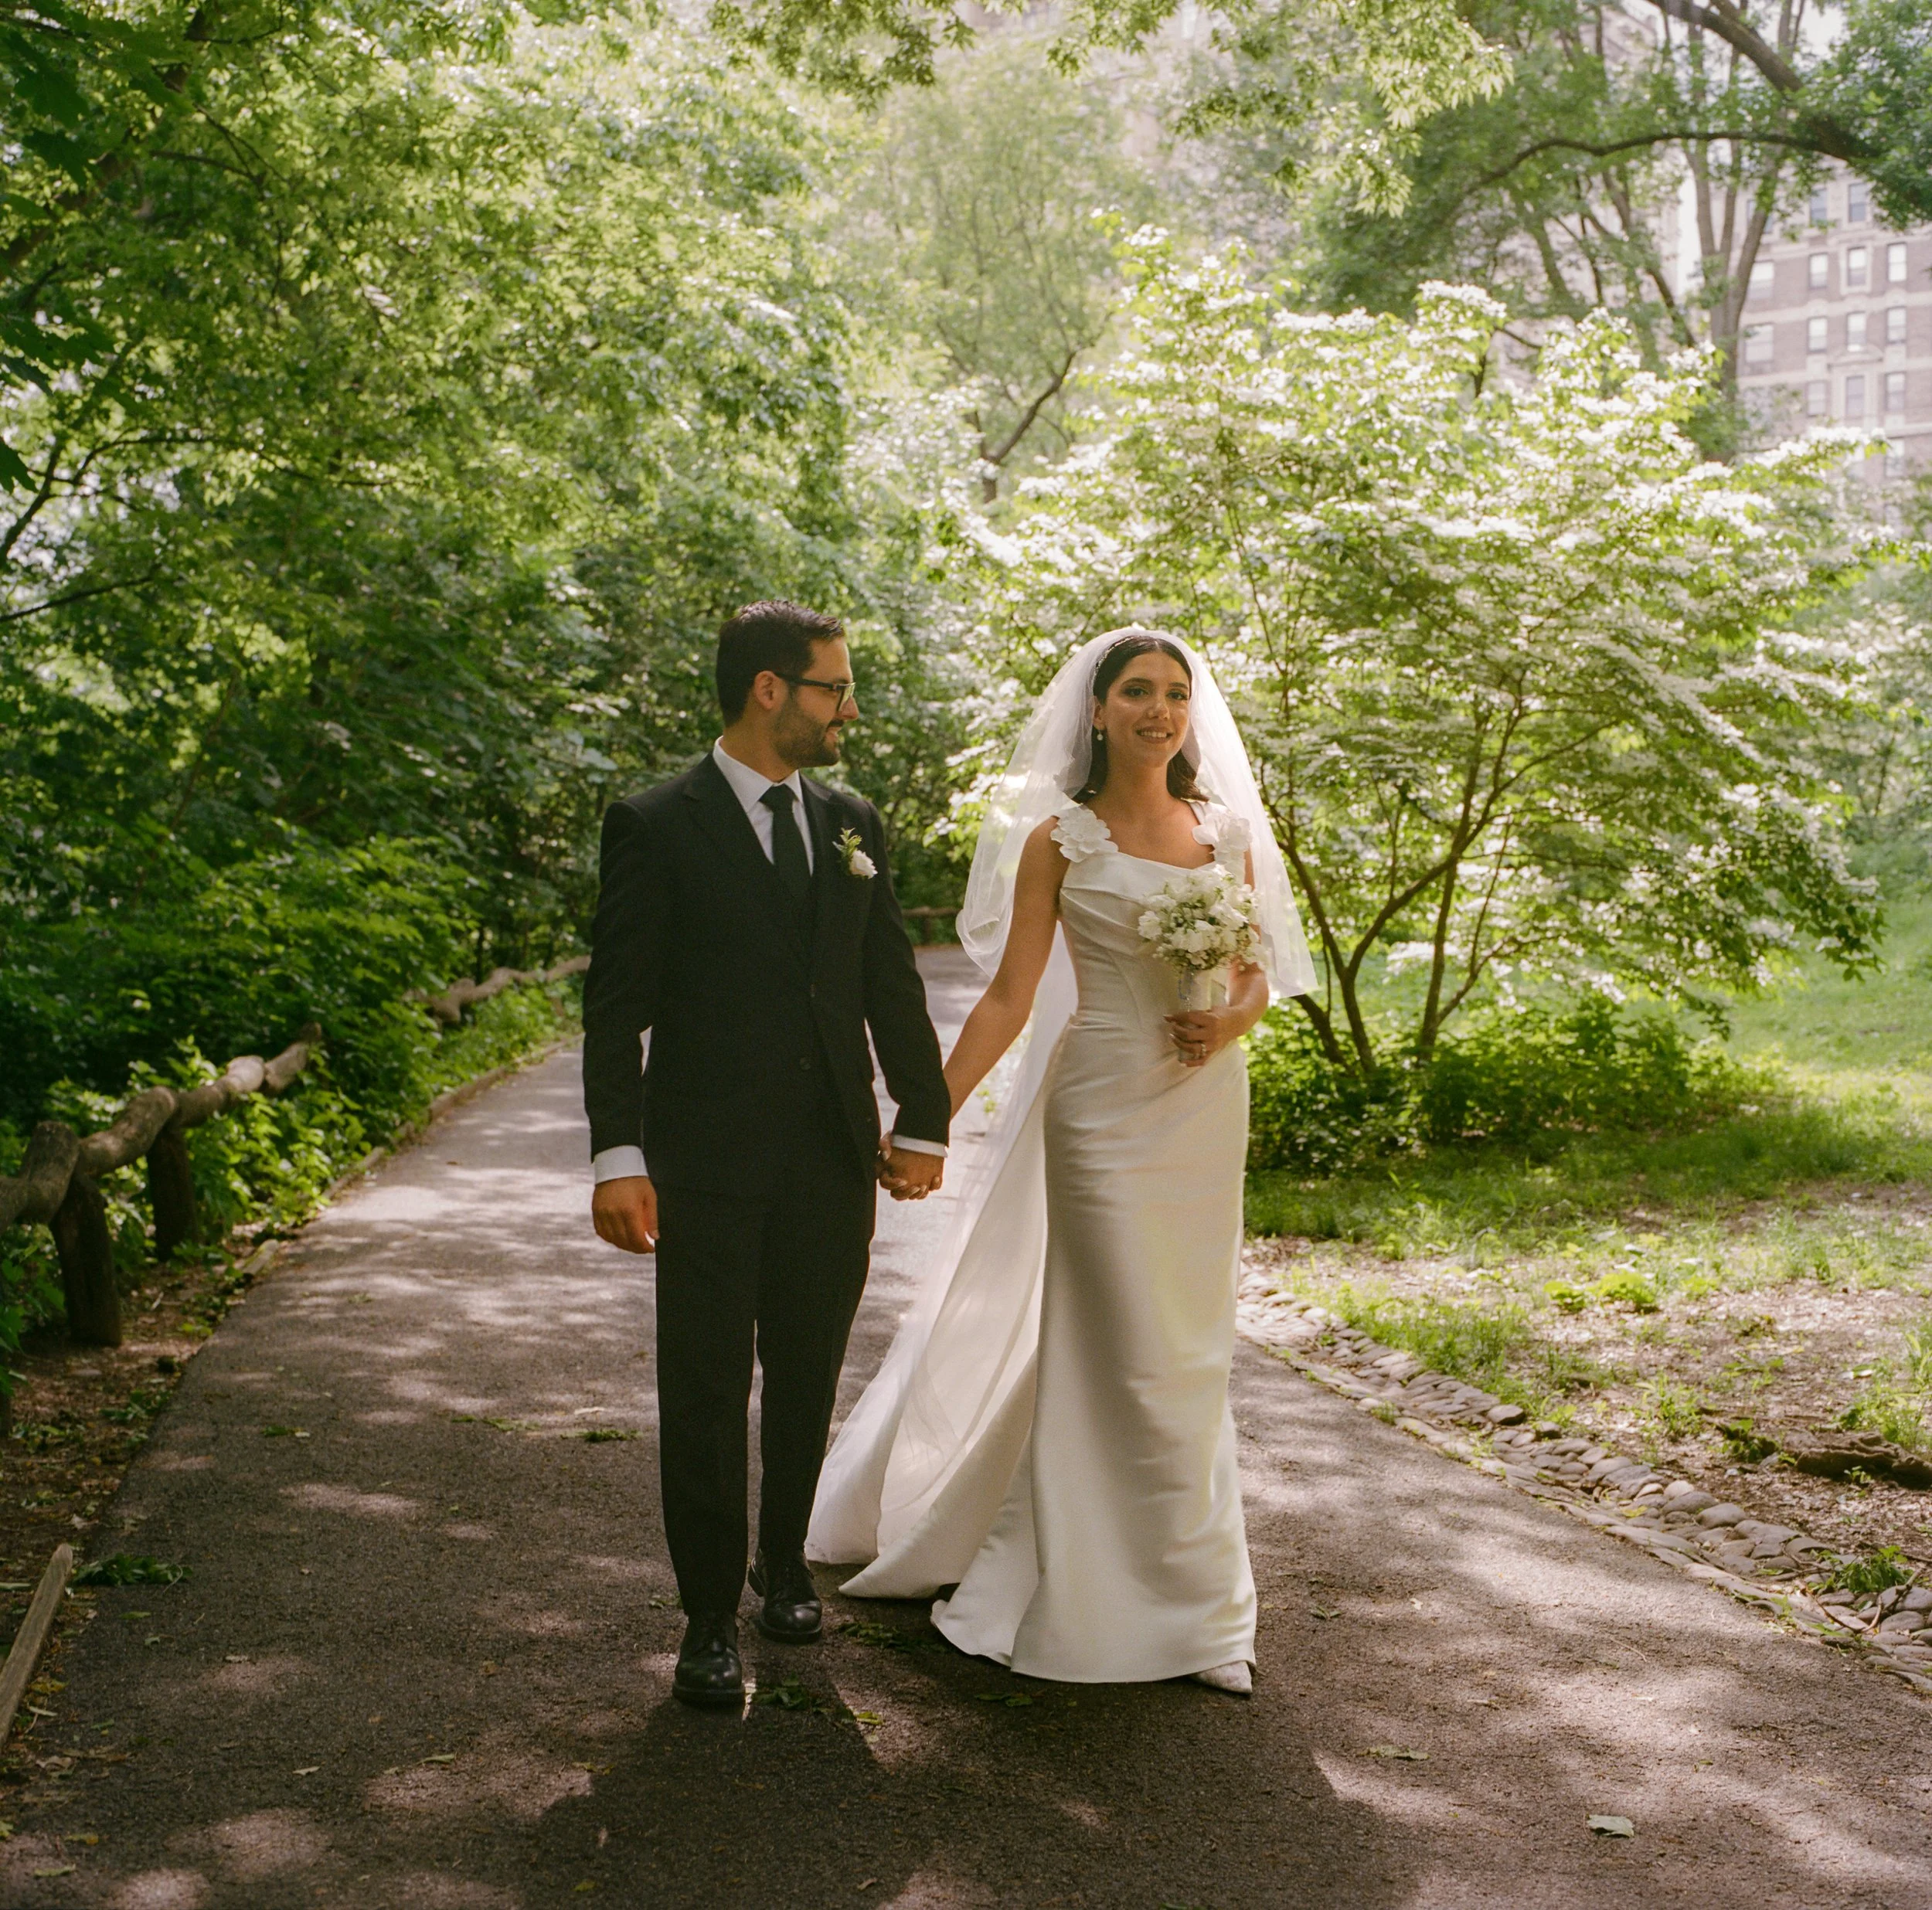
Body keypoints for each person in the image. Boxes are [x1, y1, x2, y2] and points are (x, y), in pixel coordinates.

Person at [808, 628, 1315, 1694]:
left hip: (1201, 1109)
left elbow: (1259, 975)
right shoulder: (1060, 839)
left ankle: (1201, 1611)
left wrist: (1229, 1024)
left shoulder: (1226, 835)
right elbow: (1008, 998)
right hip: (1096, 1108)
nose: (1160, 711)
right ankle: (1081, 1590)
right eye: (1137, 691)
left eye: (1176, 694)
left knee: (1186, 1348)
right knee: (1113, 1339)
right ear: (1095, 709)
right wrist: (924, 1117)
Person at [582, 600, 951, 1708]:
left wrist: (922, 1120)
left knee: (805, 1371)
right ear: (770, 691)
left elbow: (888, 978)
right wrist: (617, 1153)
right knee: (702, 1385)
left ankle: (782, 1566)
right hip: (702, 1160)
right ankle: (705, 1619)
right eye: (834, 687)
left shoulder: (852, 821)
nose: (850, 709)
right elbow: (616, 1008)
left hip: (832, 1159)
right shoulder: (655, 823)